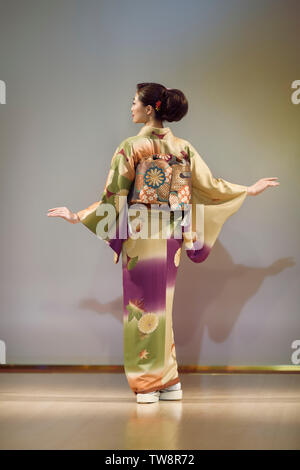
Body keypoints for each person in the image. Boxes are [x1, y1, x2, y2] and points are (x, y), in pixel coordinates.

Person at [47, 82, 280, 404]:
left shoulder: (131, 146)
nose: (130, 108)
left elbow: (114, 195)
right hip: (170, 234)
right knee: (161, 305)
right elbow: (209, 186)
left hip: (142, 232)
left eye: (134, 102)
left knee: (141, 307)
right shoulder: (183, 147)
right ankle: (168, 380)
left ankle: (147, 382)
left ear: (150, 108)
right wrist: (246, 190)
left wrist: (79, 216)